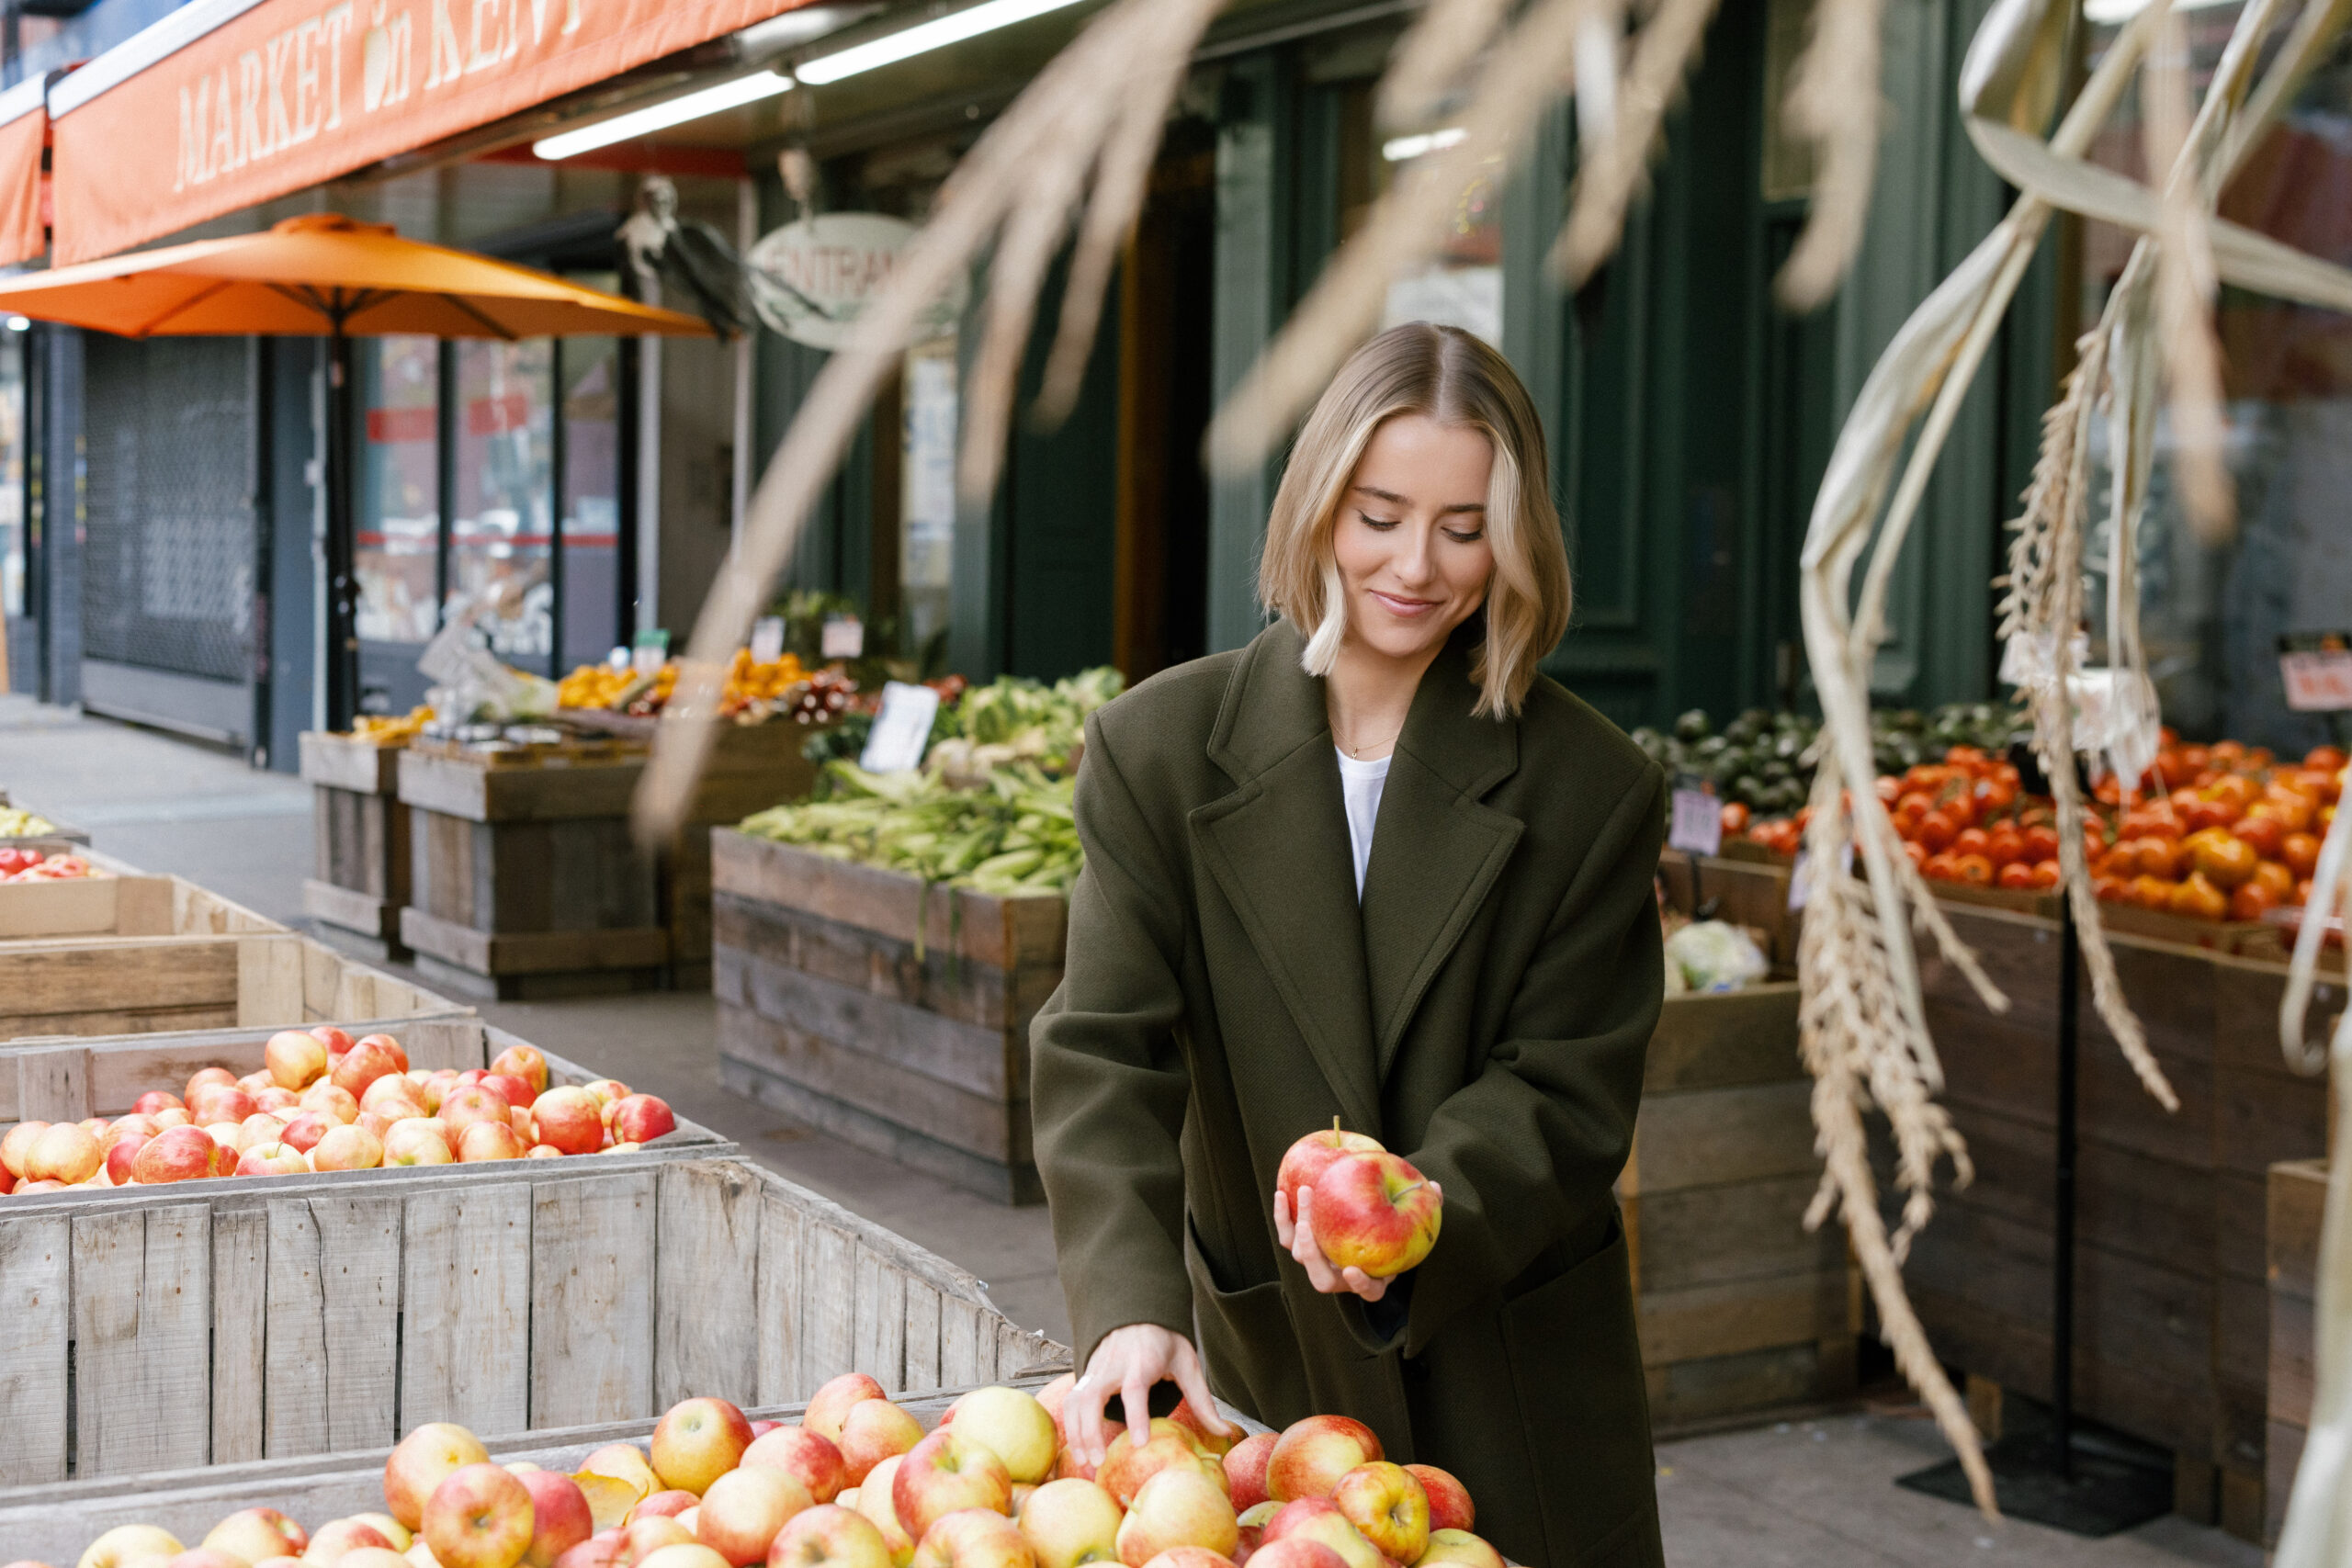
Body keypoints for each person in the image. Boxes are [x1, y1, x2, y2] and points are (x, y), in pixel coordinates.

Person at [1031, 321, 1667, 1565]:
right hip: (1264, 1373)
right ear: (1320, 503)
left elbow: (1570, 1087)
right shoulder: (1159, 750)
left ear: (1514, 539)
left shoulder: (1591, 785)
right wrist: (1129, 1308)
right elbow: (1103, 1051)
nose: (1415, 566)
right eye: (1379, 513)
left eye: (1463, 526)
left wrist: (1424, 1211)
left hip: (1508, 1360)